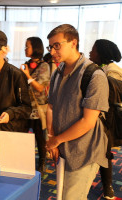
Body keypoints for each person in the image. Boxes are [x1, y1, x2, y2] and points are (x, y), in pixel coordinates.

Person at [45, 24, 109, 200]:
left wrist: (56, 140)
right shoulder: (57, 72)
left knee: (72, 197)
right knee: (63, 194)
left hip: (84, 151)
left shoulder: (94, 75)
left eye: (57, 45)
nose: (52, 51)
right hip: (62, 146)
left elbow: (88, 122)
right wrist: (52, 137)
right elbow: (50, 106)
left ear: (73, 43)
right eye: (50, 46)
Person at [89, 39, 122, 200]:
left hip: (110, 119)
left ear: (101, 53)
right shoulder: (99, 68)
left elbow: (112, 95)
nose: (90, 52)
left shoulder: (112, 70)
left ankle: (108, 186)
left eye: (93, 50)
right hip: (99, 116)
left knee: (106, 152)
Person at [20, 37, 50, 173]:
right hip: (26, 107)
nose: (25, 49)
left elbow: (40, 88)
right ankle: (24, 161)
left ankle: (42, 162)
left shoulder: (44, 66)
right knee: (23, 136)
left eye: (28, 46)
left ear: (36, 48)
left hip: (38, 109)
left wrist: (27, 75)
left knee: (39, 138)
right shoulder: (26, 64)